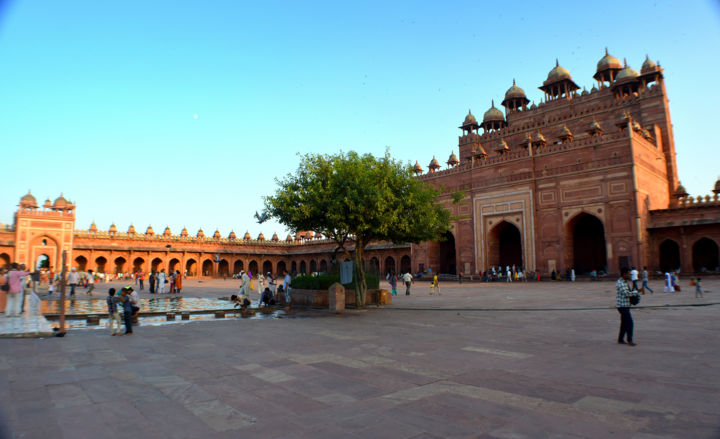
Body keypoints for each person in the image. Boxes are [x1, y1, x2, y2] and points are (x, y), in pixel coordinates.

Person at [616, 267, 639, 346]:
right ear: (624, 274)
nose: (630, 275)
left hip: (625, 305)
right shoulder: (620, 283)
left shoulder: (625, 282)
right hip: (622, 307)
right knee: (630, 323)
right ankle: (630, 340)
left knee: (624, 323)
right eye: (629, 274)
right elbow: (626, 293)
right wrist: (635, 292)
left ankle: (620, 339)